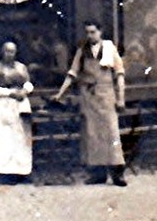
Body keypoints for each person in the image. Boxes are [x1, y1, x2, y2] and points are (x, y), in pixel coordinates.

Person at [51, 20, 127, 187]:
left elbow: (119, 74)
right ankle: (97, 174)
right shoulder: (82, 50)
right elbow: (72, 73)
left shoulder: (109, 48)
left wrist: (121, 98)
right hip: (89, 97)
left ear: (100, 32)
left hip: (106, 95)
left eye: (93, 32)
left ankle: (117, 174)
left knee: (111, 133)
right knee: (92, 135)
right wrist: (60, 93)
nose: (90, 35)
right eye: (87, 32)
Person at [0, 42, 35, 184]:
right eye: (7, 51)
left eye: (12, 51)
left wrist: (24, 91)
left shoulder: (21, 67)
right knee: (1, 137)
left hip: (20, 104)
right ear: (2, 51)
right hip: (2, 104)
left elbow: (28, 83)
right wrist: (10, 93)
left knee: (20, 138)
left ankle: (21, 171)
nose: (9, 54)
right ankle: (0, 172)